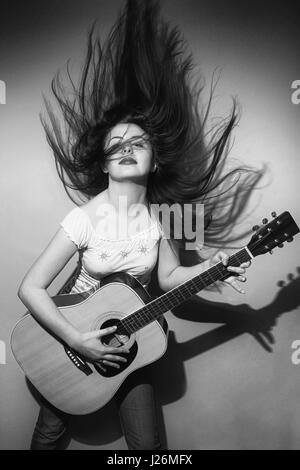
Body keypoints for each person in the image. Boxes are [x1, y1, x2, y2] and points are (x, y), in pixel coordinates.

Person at [17, 0, 262, 450]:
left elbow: (168, 278)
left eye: (139, 143)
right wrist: (80, 341)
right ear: (105, 164)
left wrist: (217, 266)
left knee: (148, 449)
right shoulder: (84, 218)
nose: (128, 148)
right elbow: (29, 288)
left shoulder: (165, 217)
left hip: (135, 338)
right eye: (117, 145)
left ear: (153, 164)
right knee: (49, 435)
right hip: (71, 344)